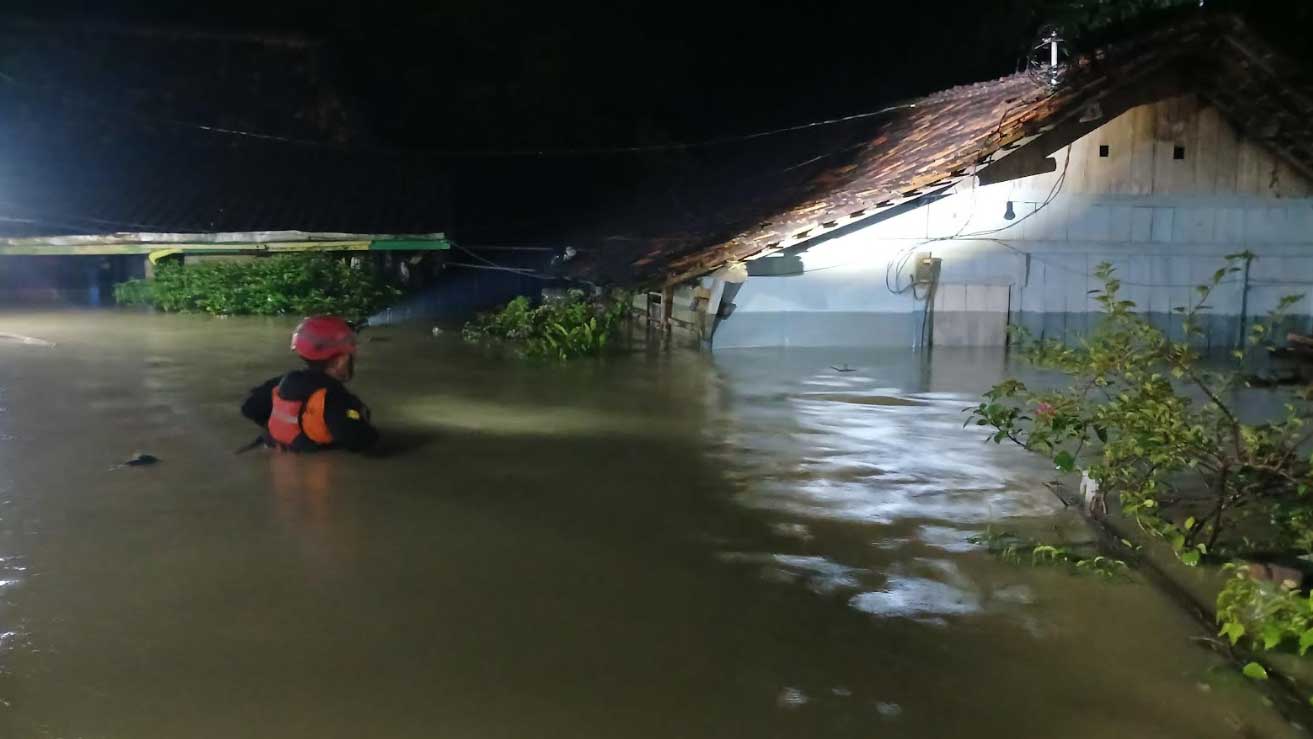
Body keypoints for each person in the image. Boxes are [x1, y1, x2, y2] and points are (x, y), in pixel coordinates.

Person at [241, 316, 379, 452]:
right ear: (339, 361)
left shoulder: (286, 380)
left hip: (284, 462)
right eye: (352, 356)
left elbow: (249, 408)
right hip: (314, 468)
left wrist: (276, 430)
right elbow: (363, 443)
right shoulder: (336, 399)